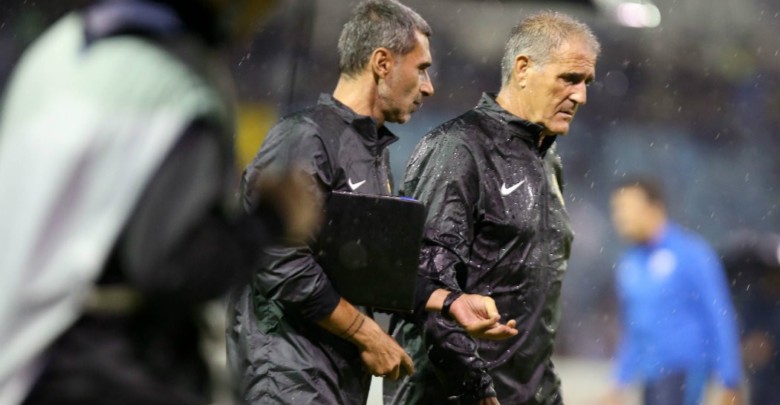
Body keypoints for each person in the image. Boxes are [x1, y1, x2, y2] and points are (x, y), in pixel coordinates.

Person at [0, 0, 320, 404]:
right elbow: (171, 265)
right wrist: (272, 219)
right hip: (108, 377)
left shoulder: (57, 52)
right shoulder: (176, 82)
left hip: (25, 365)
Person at [226, 1, 516, 404]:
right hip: (285, 378)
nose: (429, 87)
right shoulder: (306, 138)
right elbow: (277, 259)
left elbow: (369, 272)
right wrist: (366, 333)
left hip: (330, 381)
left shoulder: (369, 150)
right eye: (421, 69)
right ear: (382, 63)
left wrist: (450, 302)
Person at [384, 11, 600, 405]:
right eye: (569, 78)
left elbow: (537, 313)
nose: (580, 96)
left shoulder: (548, 162)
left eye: (586, 82)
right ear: (523, 69)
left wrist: (546, 393)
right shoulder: (459, 148)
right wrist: (476, 389)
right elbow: (427, 282)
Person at [606, 177, 742, 405]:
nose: (620, 217)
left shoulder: (691, 254)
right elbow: (633, 328)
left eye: (627, 208)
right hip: (650, 375)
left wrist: (729, 378)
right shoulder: (629, 264)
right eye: (616, 209)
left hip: (684, 372)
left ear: (655, 209)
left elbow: (719, 314)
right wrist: (620, 379)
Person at [721, 231, 780, 405]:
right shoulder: (756, 302)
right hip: (763, 388)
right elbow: (750, 348)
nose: (774, 278)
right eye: (770, 273)